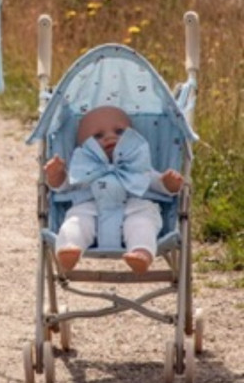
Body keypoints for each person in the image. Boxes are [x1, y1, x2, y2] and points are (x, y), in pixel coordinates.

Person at [44, 105, 184, 275]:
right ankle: (70, 249)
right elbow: (64, 186)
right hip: (90, 209)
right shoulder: (82, 166)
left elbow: (155, 183)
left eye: (119, 131)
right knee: (74, 223)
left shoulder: (138, 165)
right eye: (97, 136)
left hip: (134, 208)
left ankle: (141, 253)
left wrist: (168, 183)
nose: (110, 137)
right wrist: (56, 175)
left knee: (143, 223)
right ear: (82, 145)